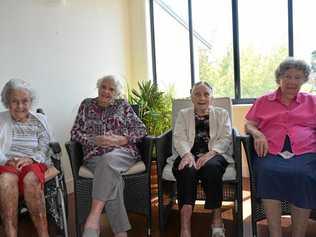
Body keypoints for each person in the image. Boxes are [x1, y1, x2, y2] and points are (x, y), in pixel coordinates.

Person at [245, 57, 316, 237]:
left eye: (297, 77)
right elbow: (249, 124)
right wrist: (258, 133)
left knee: (305, 175)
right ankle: (274, 234)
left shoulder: (312, 102)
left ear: (304, 79)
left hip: (305, 151)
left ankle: (298, 234)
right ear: (279, 78)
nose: (292, 81)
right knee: (266, 171)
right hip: (271, 150)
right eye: (288, 76)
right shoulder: (263, 101)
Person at [70, 75, 147, 237]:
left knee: (108, 161)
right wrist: (94, 139)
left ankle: (93, 218)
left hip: (123, 152)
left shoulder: (123, 106)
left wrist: (123, 139)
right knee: (112, 178)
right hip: (95, 154)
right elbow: (75, 133)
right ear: (98, 88)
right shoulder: (86, 105)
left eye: (111, 89)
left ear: (116, 93)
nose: (106, 91)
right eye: (103, 87)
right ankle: (120, 232)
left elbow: (141, 129)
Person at [172, 81, 233, 237]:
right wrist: (186, 154)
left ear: (211, 98)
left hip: (214, 155)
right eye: (197, 94)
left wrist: (210, 153)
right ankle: (185, 227)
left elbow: (226, 138)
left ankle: (217, 220)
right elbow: (178, 136)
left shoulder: (222, 113)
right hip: (188, 156)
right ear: (191, 98)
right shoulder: (183, 114)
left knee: (212, 168)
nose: (202, 98)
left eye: (206, 94)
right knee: (186, 170)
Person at [0, 79, 52, 237]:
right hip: (7, 164)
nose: (20, 106)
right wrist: (5, 160)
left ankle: (44, 234)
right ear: (7, 102)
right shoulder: (1, 120)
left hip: (32, 162)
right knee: (6, 180)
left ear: (31, 102)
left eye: (24, 101)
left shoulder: (40, 120)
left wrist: (32, 159)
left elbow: (45, 144)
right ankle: (11, 233)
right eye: (14, 102)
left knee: (31, 179)